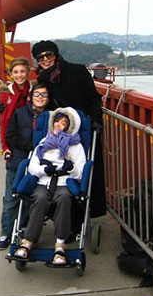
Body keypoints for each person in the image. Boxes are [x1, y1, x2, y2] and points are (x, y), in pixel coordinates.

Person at [31, 40, 106, 218]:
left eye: (48, 54)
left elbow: (93, 98)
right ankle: (63, 218)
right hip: (59, 133)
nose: (45, 59)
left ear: (55, 54)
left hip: (83, 130)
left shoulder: (78, 71)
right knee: (61, 173)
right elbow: (39, 102)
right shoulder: (42, 80)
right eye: (40, 57)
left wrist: (96, 120)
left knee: (84, 172)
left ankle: (85, 215)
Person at [14, 107, 86, 265]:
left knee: (65, 199)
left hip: (63, 182)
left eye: (64, 123)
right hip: (44, 181)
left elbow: (81, 173)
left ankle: (60, 244)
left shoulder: (76, 146)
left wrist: (71, 168)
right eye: (57, 121)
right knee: (39, 199)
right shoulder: (43, 142)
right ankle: (27, 242)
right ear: (52, 123)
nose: (59, 125)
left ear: (69, 126)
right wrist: (44, 169)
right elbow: (32, 167)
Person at [0, 83, 50, 249]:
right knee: (11, 197)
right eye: (37, 94)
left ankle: (25, 228)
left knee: (30, 198)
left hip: (39, 163)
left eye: (44, 95)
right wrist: (30, 146)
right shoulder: (19, 113)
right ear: (31, 97)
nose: (40, 97)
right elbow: (10, 135)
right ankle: (6, 232)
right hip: (19, 160)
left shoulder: (52, 116)